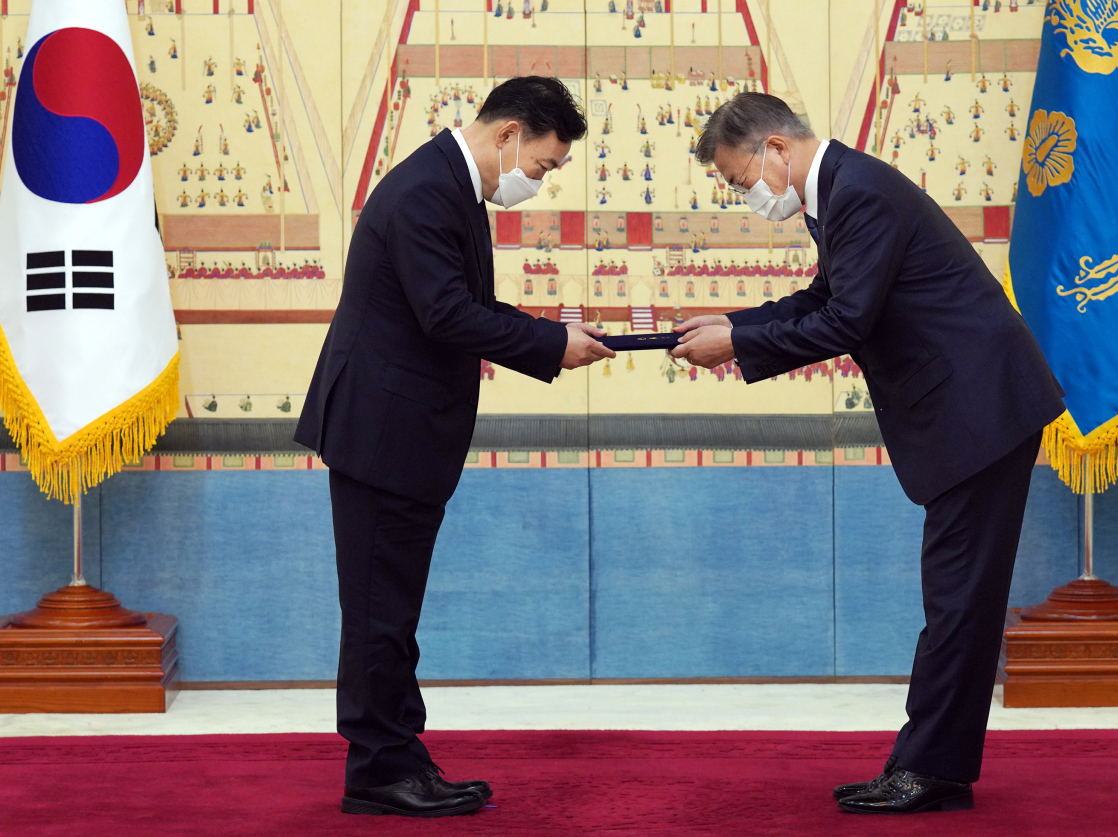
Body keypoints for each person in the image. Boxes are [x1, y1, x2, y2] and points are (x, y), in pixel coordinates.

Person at [672, 92, 1064, 815]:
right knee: (955, 598)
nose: (745, 195)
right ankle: (928, 761)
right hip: (970, 412)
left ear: (778, 151)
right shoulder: (842, 192)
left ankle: (932, 768)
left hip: (981, 411)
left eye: (739, 179)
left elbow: (846, 320)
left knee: (957, 600)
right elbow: (825, 296)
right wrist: (737, 323)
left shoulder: (859, 194)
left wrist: (740, 343)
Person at [294, 76, 610, 820]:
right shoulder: (426, 194)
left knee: (392, 610)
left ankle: (400, 757)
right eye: (543, 165)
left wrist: (555, 337)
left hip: (402, 436)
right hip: (380, 435)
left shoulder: (451, 188)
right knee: (378, 612)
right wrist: (549, 344)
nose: (540, 180)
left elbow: (470, 307)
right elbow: (445, 316)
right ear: (507, 134)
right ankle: (377, 768)